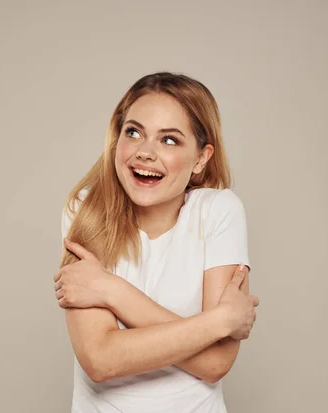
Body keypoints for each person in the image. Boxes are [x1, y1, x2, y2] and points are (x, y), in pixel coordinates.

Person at [53, 72, 260, 413]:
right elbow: (101, 360)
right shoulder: (86, 210)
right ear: (115, 139)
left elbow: (215, 364)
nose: (145, 153)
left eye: (169, 140)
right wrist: (219, 322)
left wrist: (111, 290)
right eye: (133, 132)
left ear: (201, 158)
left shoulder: (219, 211)